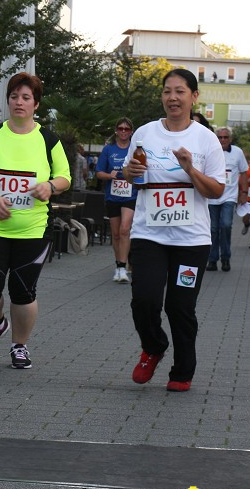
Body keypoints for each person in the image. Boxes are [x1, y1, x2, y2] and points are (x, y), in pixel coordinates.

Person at [122, 69, 225, 392]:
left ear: (194, 96)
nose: (172, 98)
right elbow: (132, 175)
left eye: (180, 91)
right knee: (144, 300)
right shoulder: (145, 133)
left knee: (180, 307)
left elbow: (216, 191)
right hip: (149, 233)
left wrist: (189, 169)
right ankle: (153, 346)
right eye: (167, 91)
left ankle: (182, 370)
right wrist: (130, 170)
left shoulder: (205, 139)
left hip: (191, 240)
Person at [0, 72, 71, 369]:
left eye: (26, 97)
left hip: (33, 228)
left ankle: (19, 346)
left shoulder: (49, 140)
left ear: (36, 104)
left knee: (22, 291)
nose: (19, 102)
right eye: (14, 96)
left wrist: (49, 187)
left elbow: (65, 177)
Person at [95, 117, 137, 283]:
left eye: (127, 129)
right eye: (120, 128)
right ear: (116, 131)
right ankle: (119, 266)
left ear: (131, 131)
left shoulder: (135, 150)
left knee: (125, 229)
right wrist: (108, 175)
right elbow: (98, 173)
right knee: (116, 233)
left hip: (130, 195)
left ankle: (123, 266)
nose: (123, 131)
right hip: (113, 195)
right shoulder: (108, 150)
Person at [205, 127, 247, 272]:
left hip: (229, 196)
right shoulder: (209, 150)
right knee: (213, 229)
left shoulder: (237, 152)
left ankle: (226, 258)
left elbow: (244, 172)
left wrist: (244, 193)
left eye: (225, 137)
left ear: (230, 138)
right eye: (220, 137)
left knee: (226, 225)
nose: (222, 140)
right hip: (211, 197)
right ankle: (212, 259)